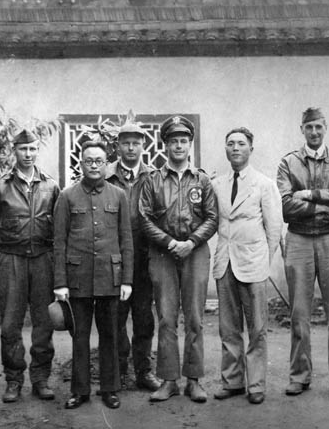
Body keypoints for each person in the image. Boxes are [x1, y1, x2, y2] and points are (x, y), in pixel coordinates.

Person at [276, 107, 329, 399]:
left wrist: (309, 195)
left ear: (326, 127)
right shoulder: (288, 162)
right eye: (308, 127)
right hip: (298, 241)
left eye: (318, 127)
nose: (314, 132)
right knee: (299, 314)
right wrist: (327, 206)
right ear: (302, 129)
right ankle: (299, 375)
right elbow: (285, 206)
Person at [139, 115, 218, 403]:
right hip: (163, 254)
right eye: (173, 141)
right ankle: (169, 380)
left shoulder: (203, 180)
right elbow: (144, 218)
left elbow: (212, 217)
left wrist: (192, 242)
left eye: (184, 141)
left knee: (195, 318)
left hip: (195, 253)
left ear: (190, 144)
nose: (179, 146)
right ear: (166, 145)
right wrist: (171, 242)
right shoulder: (153, 180)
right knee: (167, 318)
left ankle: (194, 380)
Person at [0, 129, 60, 403]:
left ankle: (40, 379)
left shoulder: (51, 185)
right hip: (11, 260)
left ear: (38, 151)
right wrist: (9, 240)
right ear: (14, 151)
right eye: (23, 149)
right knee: (10, 324)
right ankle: (13, 380)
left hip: (42, 260)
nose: (28, 154)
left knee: (43, 322)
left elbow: (60, 225)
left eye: (33, 149)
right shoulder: (0, 186)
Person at [52, 141, 134, 410]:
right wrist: (60, 283)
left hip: (110, 277)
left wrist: (127, 280)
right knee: (80, 336)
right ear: (81, 163)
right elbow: (59, 242)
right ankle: (80, 390)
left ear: (106, 162)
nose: (95, 165)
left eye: (99, 160)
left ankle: (110, 389)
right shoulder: (67, 196)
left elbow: (126, 240)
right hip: (78, 278)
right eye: (89, 160)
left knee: (110, 334)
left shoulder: (119, 195)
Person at [212, 127, 283, 404]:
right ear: (226, 149)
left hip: (253, 263)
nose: (235, 148)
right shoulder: (217, 184)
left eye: (241, 143)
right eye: (230, 144)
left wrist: (263, 260)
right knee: (228, 327)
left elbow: (274, 228)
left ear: (250, 149)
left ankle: (255, 385)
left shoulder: (264, 184)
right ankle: (232, 381)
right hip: (225, 262)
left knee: (256, 327)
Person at [105, 123, 161, 391]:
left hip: (144, 257)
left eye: (136, 143)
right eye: (125, 143)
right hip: (113, 259)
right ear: (117, 146)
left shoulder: (153, 177)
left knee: (144, 317)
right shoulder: (105, 176)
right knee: (115, 316)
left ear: (143, 146)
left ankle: (143, 370)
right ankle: (118, 370)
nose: (130, 148)